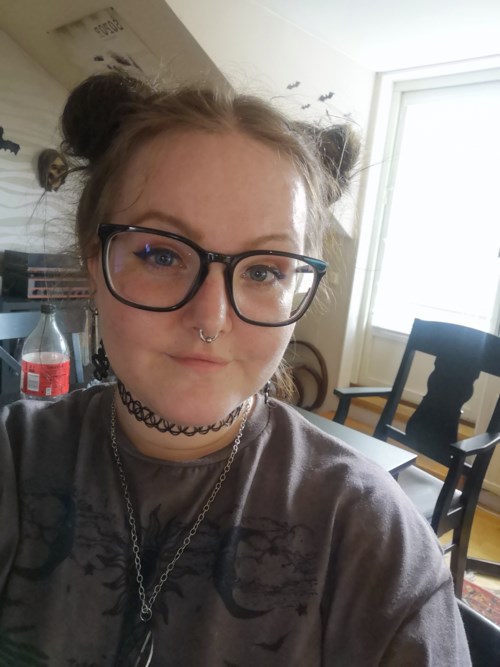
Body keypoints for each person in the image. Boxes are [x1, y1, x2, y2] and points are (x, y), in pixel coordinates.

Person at [0, 72, 471, 666]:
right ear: (96, 262)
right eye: (161, 254)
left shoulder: (370, 536)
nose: (212, 319)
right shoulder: (14, 461)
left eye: (264, 270)